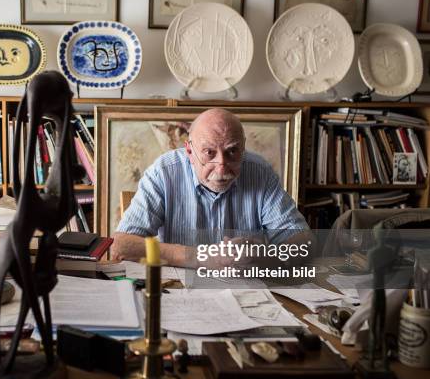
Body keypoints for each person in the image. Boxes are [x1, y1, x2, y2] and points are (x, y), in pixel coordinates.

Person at [111, 108, 312, 267]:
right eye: (209, 153)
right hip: (180, 292)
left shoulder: (260, 172)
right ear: (189, 150)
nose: (222, 166)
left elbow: (304, 244)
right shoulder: (164, 172)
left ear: (243, 146)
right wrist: (200, 257)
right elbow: (122, 245)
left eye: (232, 151)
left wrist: (264, 257)